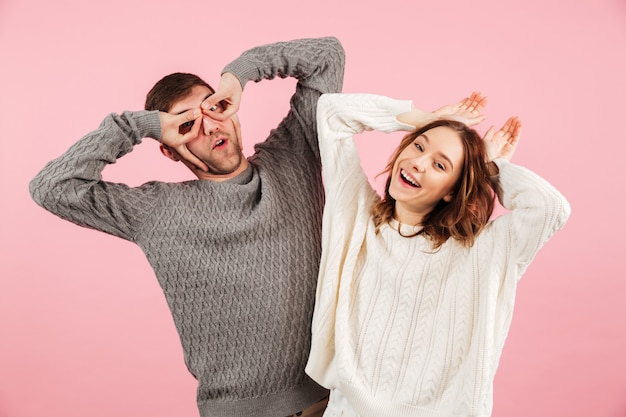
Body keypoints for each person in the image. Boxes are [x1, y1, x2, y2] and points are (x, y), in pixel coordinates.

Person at [29, 37, 345, 417]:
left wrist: (240, 74)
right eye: (188, 124)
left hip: (333, 404)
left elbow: (328, 56)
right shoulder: (157, 210)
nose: (210, 126)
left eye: (215, 109)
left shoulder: (295, 156)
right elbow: (51, 188)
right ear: (169, 147)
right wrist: (138, 126)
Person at [305, 92, 571, 417]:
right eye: (418, 146)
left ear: (451, 191)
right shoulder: (358, 217)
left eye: (439, 164)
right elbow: (333, 113)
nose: (418, 162)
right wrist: (428, 118)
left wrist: (487, 166)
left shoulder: (483, 251)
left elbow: (551, 208)